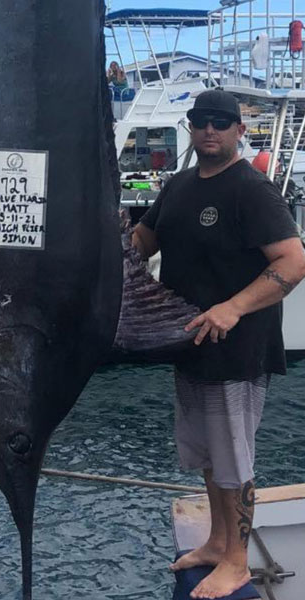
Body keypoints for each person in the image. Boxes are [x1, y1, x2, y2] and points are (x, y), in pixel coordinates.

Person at [132, 89, 305, 599]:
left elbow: (293, 262)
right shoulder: (179, 185)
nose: (211, 129)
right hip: (189, 344)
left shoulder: (251, 190)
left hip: (237, 348)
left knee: (234, 460)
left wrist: (232, 307)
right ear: (191, 126)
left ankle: (237, 561)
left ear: (238, 131)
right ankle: (215, 541)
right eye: (202, 120)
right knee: (208, 456)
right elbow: (144, 239)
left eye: (221, 122)